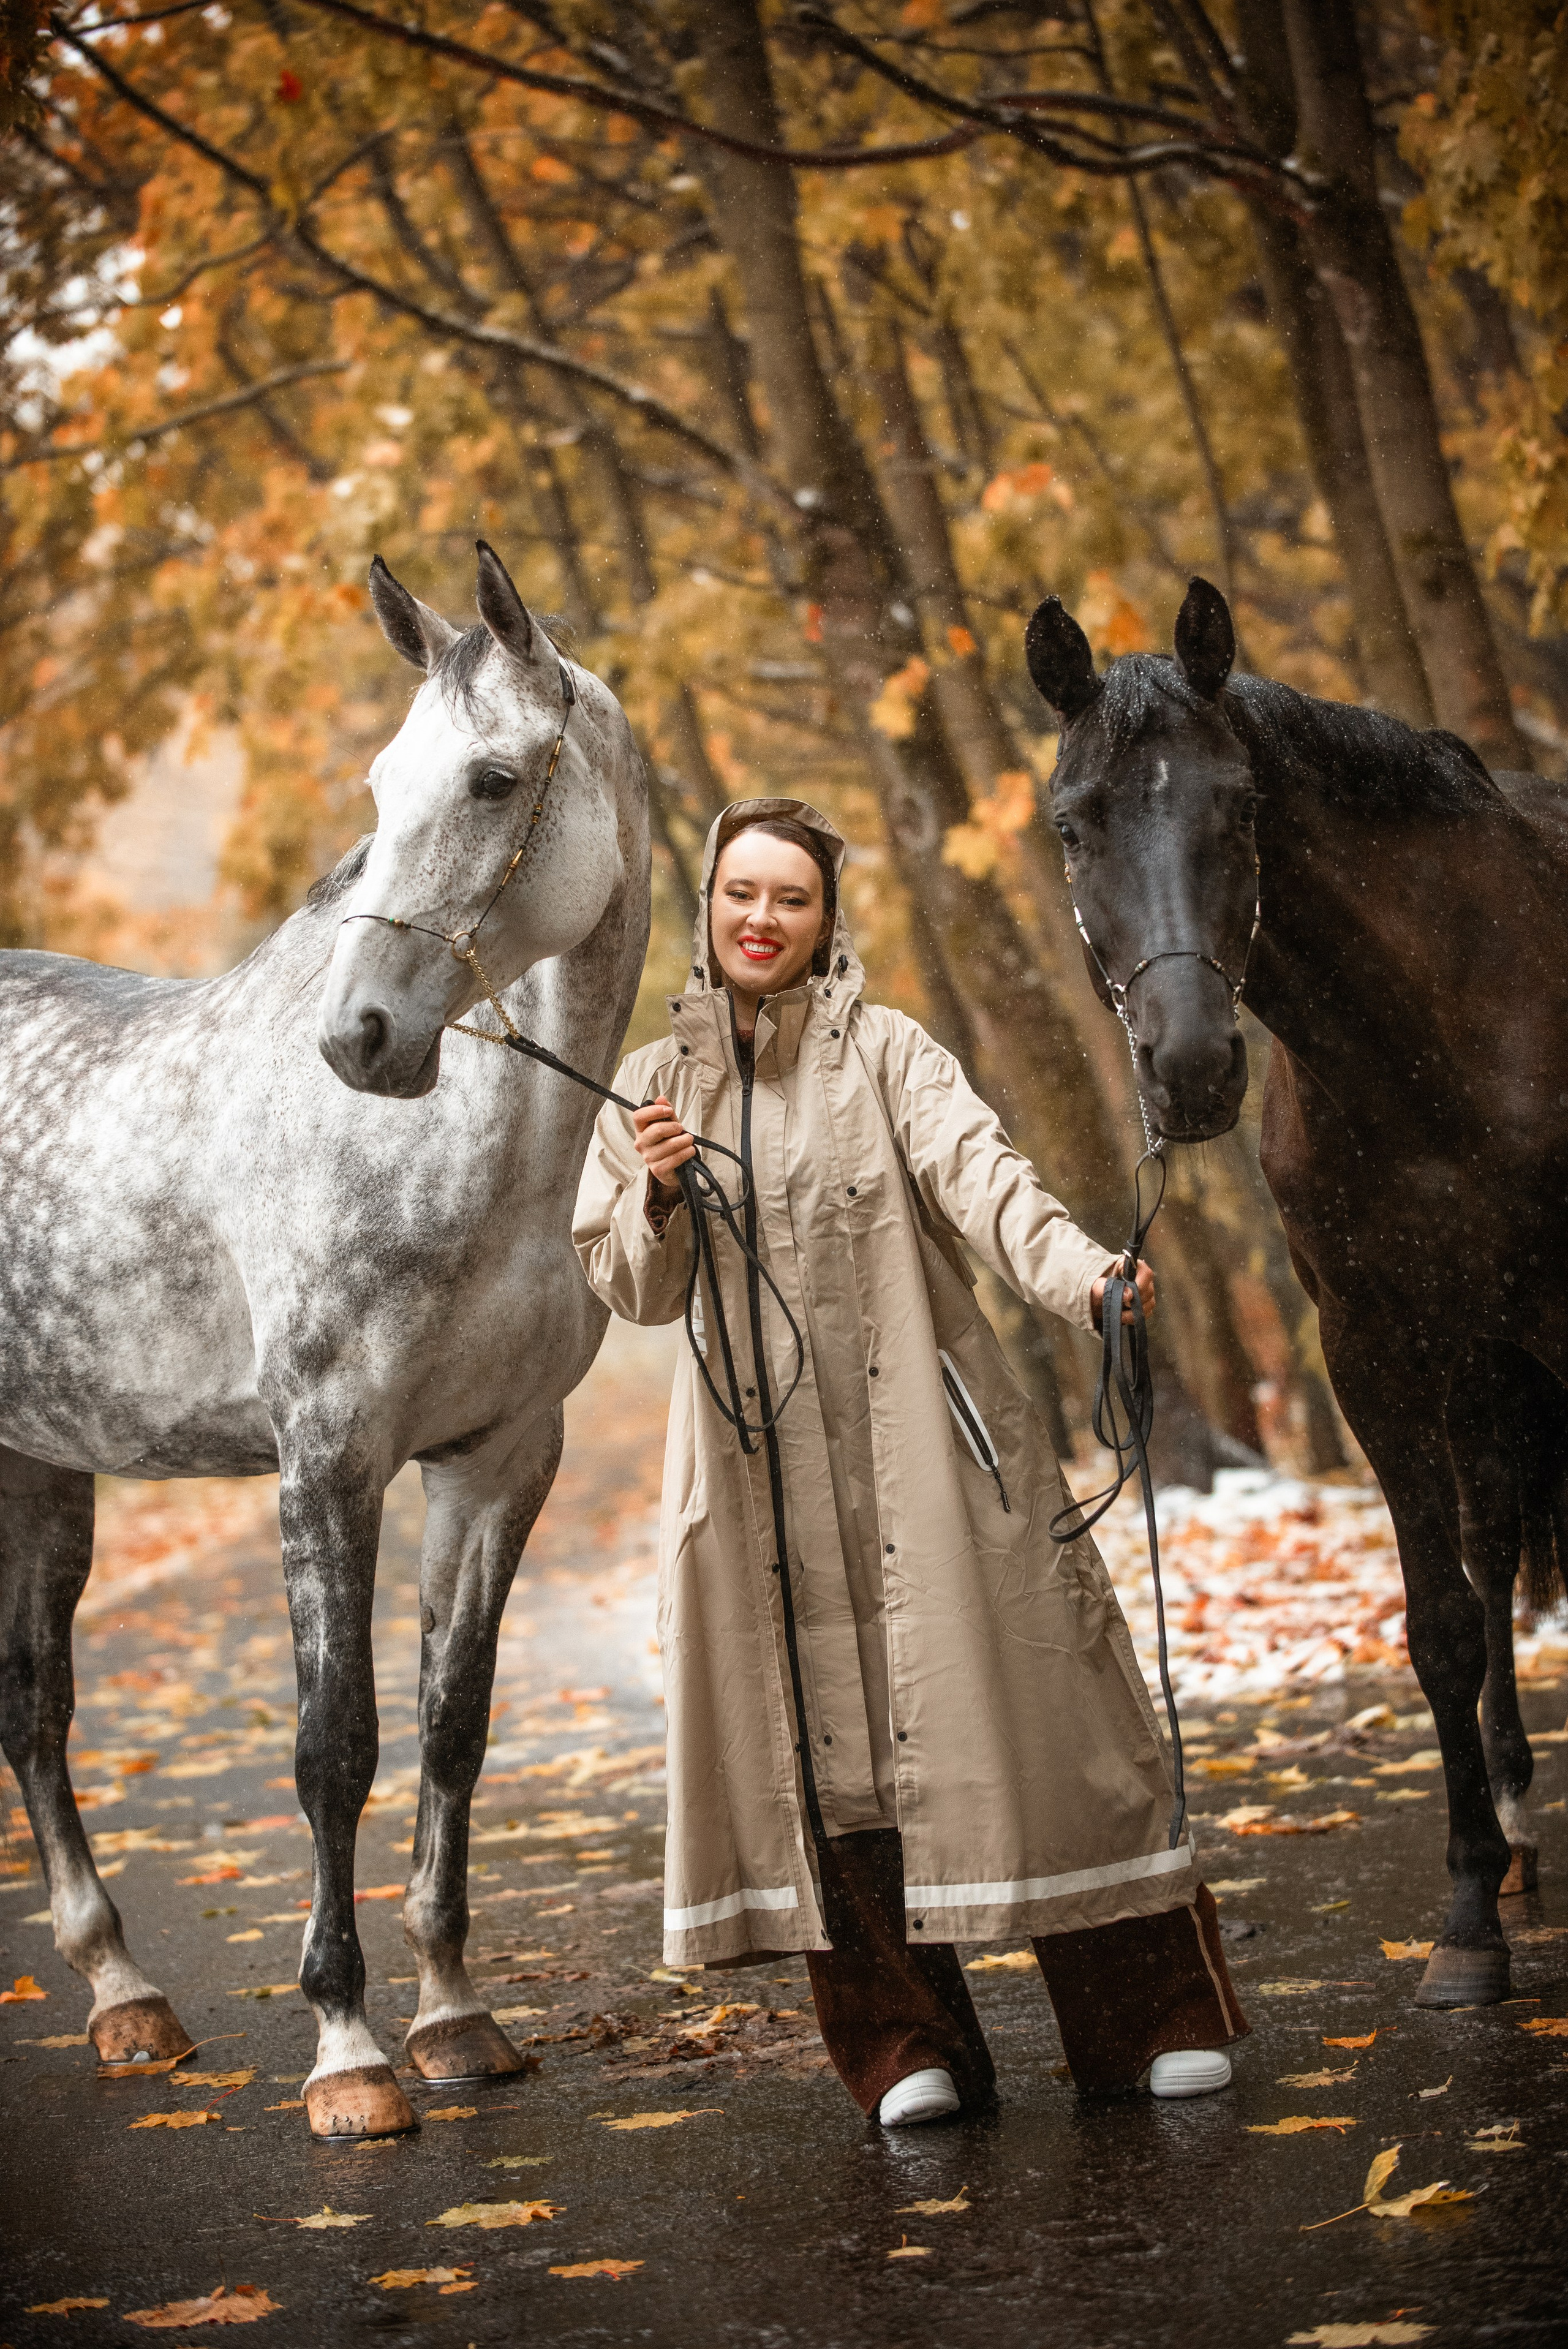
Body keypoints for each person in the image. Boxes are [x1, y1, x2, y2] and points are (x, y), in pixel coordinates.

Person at [573, 799, 1247, 2127]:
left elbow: (985, 1183)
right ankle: (903, 2046)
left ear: (826, 923)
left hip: (932, 1452)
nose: (760, 919)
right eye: (738, 893)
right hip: (760, 1482)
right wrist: (653, 1192)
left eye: (791, 898)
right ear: (705, 906)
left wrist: (1087, 1279)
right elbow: (629, 1287)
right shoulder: (653, 1088)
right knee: (821, 1752)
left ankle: (1147, 2017)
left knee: (1043, 1719)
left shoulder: (887, 1051)